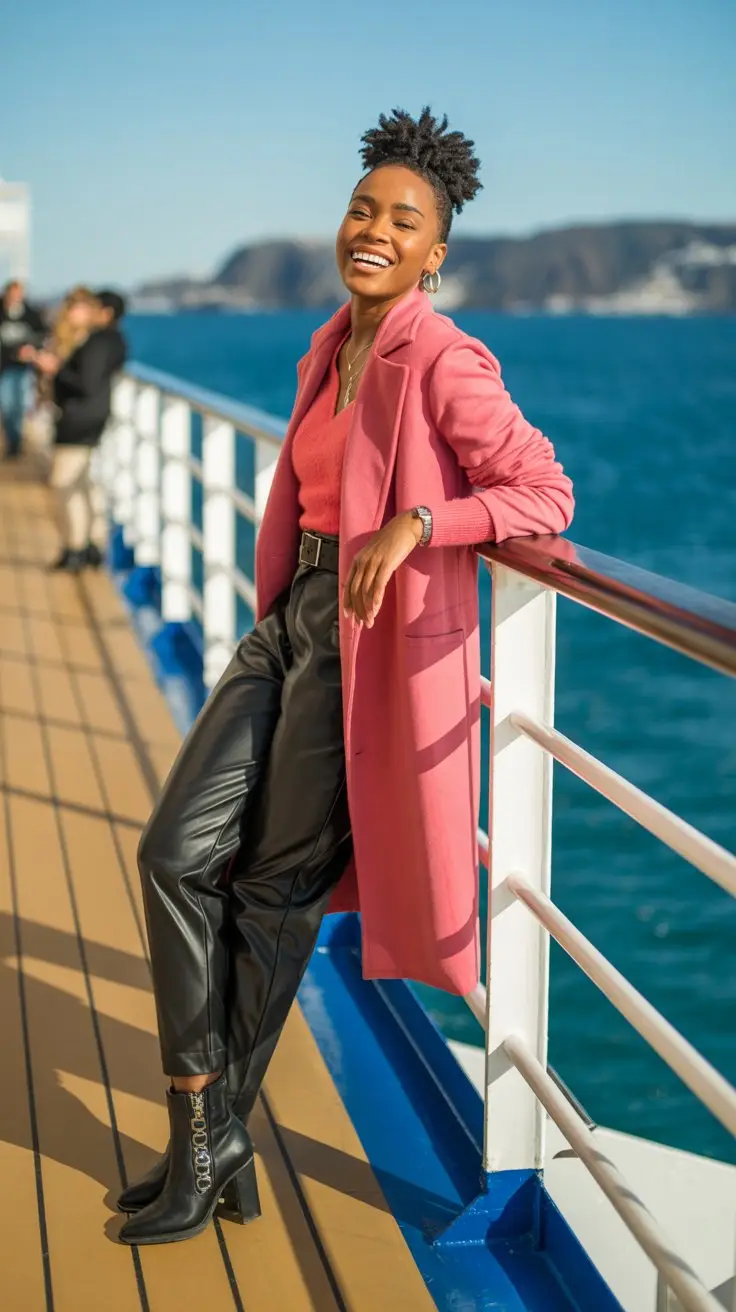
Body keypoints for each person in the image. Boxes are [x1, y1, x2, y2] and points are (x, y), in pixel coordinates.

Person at [116, 107, 574, 1248]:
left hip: (368, 644)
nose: (372, 229)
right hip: (291, 626)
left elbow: (545, 494)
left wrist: (423, 518)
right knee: (175, 851)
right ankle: (210, 1130)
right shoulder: (334, 342)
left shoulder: (444, 356)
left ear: (436, 252)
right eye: (362, 208)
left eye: (401, 220)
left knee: (272, 893)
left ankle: (201, 1139)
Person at [33, 288, 127, 570]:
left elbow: (85, 383)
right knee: (85, 482)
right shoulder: (115, 341)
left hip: (79, 418)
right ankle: (95, 545)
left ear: (106, 312)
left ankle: (75, 548)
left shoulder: (97, 342)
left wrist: (56, 370)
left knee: (63, 483)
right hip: (94, 416)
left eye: (95, 307)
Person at [0, 279, 46, 457]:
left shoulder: (31, 314)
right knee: (6, 404)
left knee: (19, 405)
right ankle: (12, 439)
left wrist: (31, 350)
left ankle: (15, 443)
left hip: (23, 368)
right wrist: (13, 352)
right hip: (3, 367)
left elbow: (41, 335)